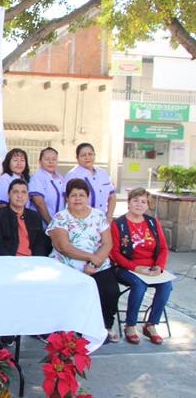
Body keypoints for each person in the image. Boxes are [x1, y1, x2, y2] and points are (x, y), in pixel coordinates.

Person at [47, 178, 120, 342]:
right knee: (74, 293)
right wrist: (90, 258)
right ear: (67, 198)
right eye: (73, 195)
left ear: (88, 197)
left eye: (82, 195)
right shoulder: (61, 217)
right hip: (68, 266)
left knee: (110, 291)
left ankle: (105, 326)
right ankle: (75, 328)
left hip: (98, 264)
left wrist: (94, 263)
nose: (78, 198)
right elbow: (63, 247)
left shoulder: (98, 215)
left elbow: (108, 243)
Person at [110, 188, 172, 345]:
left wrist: (159, 266)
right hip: (126, 268)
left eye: (143, 201)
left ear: (148, 206)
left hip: (151, 269)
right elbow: (115, 253)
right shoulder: (119, 224)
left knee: (166, 285)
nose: (139, 204)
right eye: (135, 200)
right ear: (128, 203)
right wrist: (135, 268)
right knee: (139, 285)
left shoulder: (152, 222)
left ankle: (151, 325)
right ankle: (130, 326)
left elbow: (164, 248)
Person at [0, 179, 47, 256]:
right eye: (16, 192)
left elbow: (40, 245)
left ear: (27, 195)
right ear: (9, 195)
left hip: (32, 262)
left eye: (23, 192)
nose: (20, 196)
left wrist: (37, 261)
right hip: (8, 262)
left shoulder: (35, 217)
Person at [64, 142, 116, 220]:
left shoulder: (103, 173)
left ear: (94, 155)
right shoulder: (73, 175)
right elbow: (68, 200)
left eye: (90, 154)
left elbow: (112, 196)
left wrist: (109, 217)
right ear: (77, 158)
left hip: (102, 220)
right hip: (81, 221)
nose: (87, 157)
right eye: (83, 155)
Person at [29, 147, 65, 225]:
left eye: (54, 159)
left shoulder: (60, 178)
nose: (50, 162)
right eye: (47, 159)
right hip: (44, 225)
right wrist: (50, 224)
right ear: (40, 162)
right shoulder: (37, 177)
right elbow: (39, 203)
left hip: (60, 225)